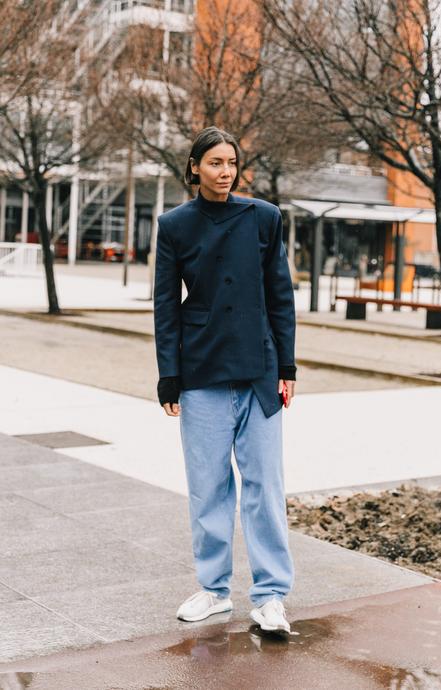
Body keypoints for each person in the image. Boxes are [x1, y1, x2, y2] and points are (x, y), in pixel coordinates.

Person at [154, 126, 296, 634]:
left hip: (259, 370)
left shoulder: (264, 218)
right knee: (208, 488)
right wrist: (168, 376)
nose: (225, 171)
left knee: (264, 487)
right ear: (194, 168)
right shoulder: (174, 226)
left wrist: (288, 367)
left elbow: (280, 294)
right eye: (214, 163)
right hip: (201, 372)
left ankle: (271, 596)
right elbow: (166, 305)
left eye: (231, 163)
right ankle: (214, 590)